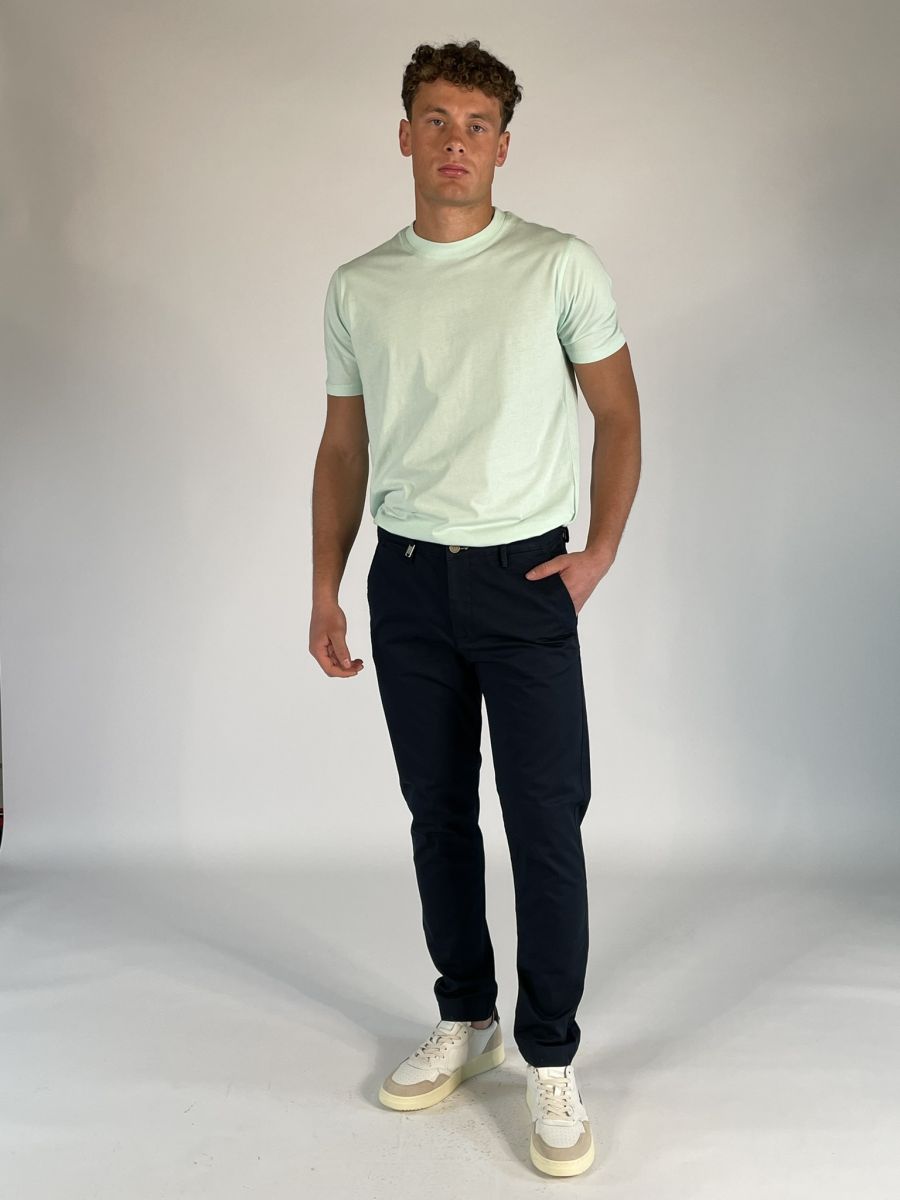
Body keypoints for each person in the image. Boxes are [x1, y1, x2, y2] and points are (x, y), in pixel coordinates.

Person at [310, 38, 641, 1178]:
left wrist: (598, 552)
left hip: (524, 578)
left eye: (478, 125)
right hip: (406, 579)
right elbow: (343, 445)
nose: (457, 142)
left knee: (544, 820)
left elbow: (618, 413)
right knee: (438, 814)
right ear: (405, 135)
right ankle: (469, 1015)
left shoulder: (557, 266)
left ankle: (550, 1054)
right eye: (438, 121)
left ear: (504, 145)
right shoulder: (359, 285)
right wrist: (324, 587)